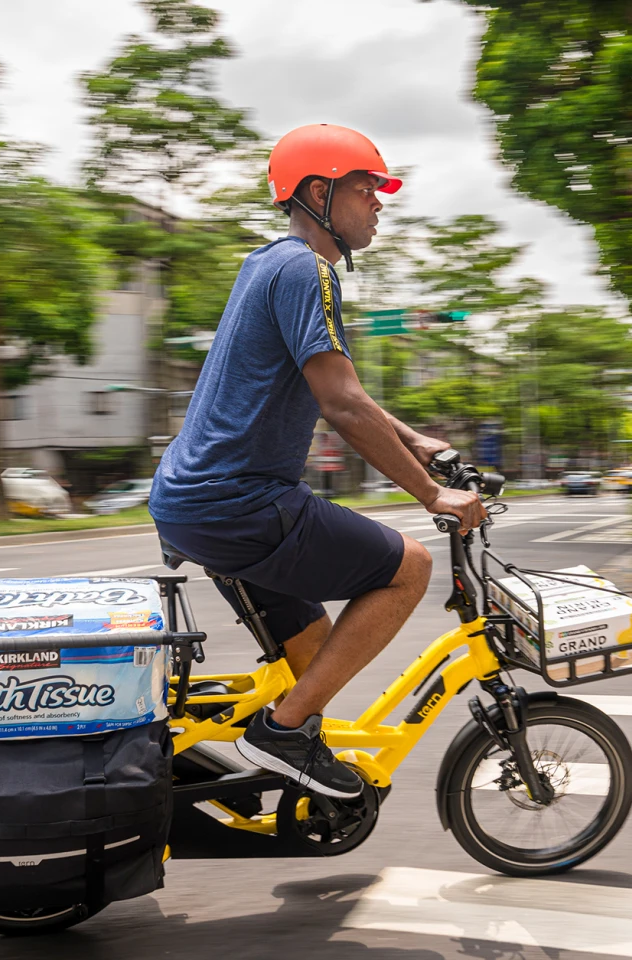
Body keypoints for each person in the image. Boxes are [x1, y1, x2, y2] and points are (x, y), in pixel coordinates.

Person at [149, 123, 487, 798]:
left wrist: (415, 438)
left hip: (195, 501)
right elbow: (341, 404)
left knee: (316, 654)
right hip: (239, 501)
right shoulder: (308, 270)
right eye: (366, 187)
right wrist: (432, 494)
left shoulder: (268, 263)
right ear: (317, 193)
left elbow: (340, 388)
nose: (378, 203)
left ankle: (280, 761)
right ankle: (280, 734)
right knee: (410, 567)